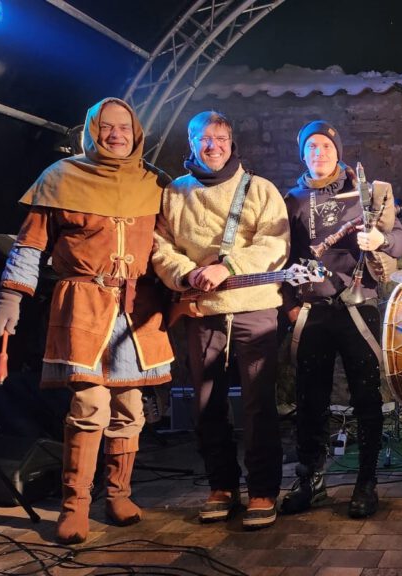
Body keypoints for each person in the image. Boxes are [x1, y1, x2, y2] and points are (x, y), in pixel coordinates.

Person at [0, 98, 174, 544]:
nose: (116, 135)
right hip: (84, 304)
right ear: (92, 131)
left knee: (130, 409)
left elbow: (170, 245)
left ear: (136, 133)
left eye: (124, 128)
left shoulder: (154, 182)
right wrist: (11, 296)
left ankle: (119, 495)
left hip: (136, 307)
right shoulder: (61, 178)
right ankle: (75, 506)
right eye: (106, 127)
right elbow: (29, 245)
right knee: (90, 408)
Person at [152, 110, 289, 530]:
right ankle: (222, 487)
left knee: (258, 403)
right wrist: (186, 274)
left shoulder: (260, 189)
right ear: (192, 143)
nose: (214, 146)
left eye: (221, 138)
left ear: (232, 143)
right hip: (201, 309)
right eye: (205, 139)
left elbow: (275, 244)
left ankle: (263, 490)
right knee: (206, 403)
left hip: (254, 307)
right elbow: (161, 247)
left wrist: (227, 267)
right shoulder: (174, 193)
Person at [280, 120, 402, 519]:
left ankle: (366, 483)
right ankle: (311, 481)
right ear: (302, 153)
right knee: (310, 401)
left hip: (359, 307)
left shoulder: (367, 193)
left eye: (326, 146)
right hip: (314, 311)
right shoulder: (293, 199)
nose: (319, 153)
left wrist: (382, 240)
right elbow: (283, 257)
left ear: (338, 151)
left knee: (367, 398)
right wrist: (290, 306)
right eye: (312, 147)